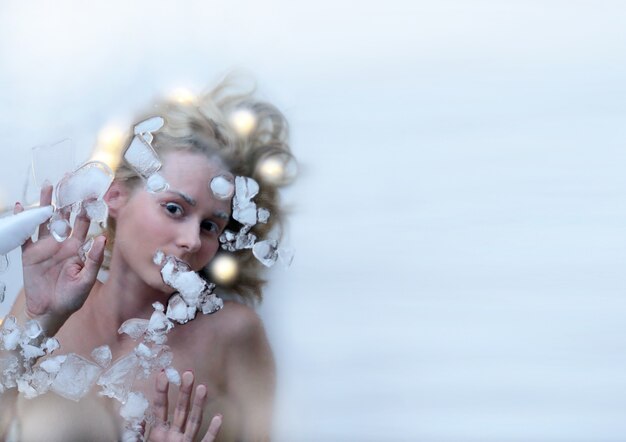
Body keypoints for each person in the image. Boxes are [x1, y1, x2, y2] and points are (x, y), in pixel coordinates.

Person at [0, 78, 294, 441]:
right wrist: (44, 318)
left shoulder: (235, 335)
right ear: (115, 196)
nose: (190, 241)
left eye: (210, 226)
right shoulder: (40, 309)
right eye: (174, 209)